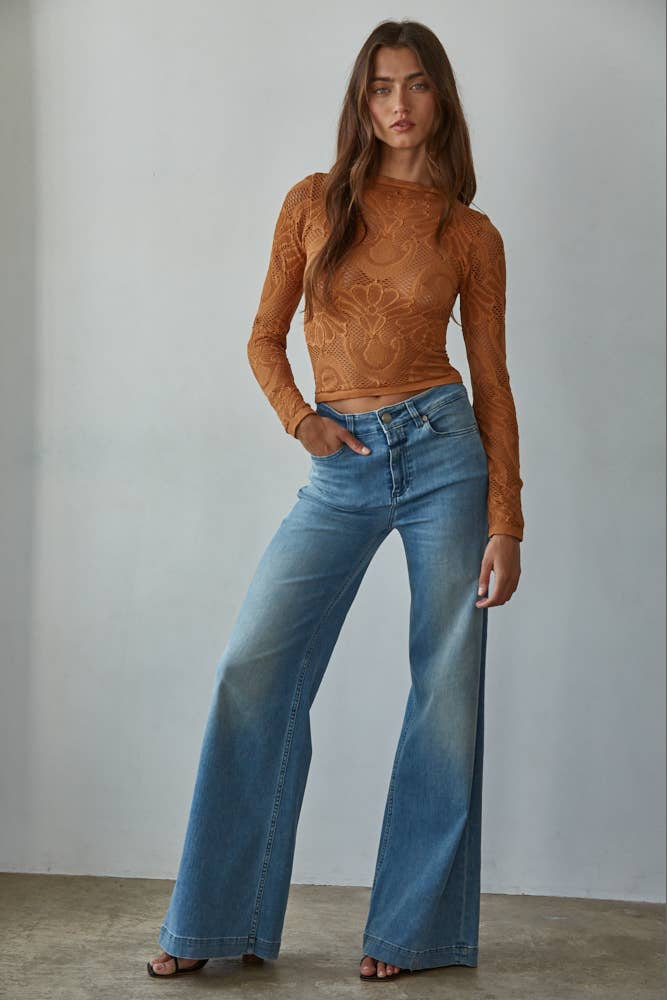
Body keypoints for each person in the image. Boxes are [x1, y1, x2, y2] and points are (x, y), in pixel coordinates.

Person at [147, 17, 524, 983]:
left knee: (444, 696)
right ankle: (216, 920)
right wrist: (300, 421)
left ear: (441, 98)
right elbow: (263, 337)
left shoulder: (469, 233)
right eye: (380, 87)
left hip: (444, 453)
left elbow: (491, 382)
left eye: (417, 84)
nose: (399, 104)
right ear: (362, 101)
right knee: (253, 668)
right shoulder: (313, 202)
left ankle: (412, 934)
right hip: (341, 462)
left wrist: (506, 520)